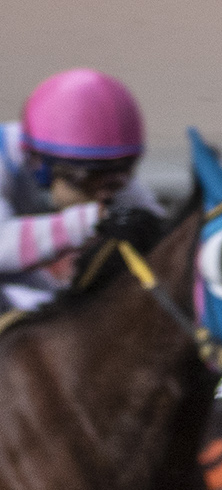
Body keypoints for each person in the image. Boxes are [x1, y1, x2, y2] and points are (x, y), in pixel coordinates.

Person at [0, 69, 161, 317]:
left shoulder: (102, 169)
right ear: (39, 166)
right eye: (92, 178)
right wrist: (90, 221)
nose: (106, 195)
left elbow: (157, 227)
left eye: (121, 175)